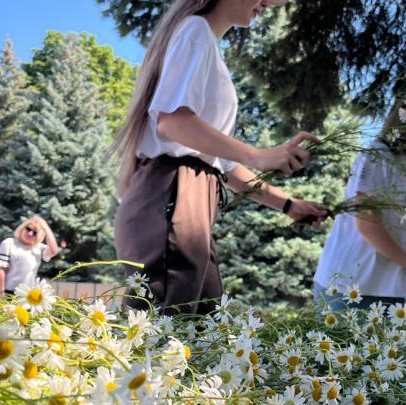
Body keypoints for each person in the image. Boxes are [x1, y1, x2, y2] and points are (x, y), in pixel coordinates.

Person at [112, 0, 329, 316]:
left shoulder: (202, 40)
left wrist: (289, 205)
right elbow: (173, 121)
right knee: (164, 335)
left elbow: (223, 165)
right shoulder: (195, 30)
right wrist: (257, 155)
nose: (269, 4)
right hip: (174, 196)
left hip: (186, 200)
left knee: (197, 327)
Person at [314, 89, 406, 310]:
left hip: (389, 291)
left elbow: (400, 238)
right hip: (349, 287)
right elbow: (366, 222)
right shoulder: (377, 155)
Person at [0, 216, 60, 296]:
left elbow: (54, 251)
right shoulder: (9, 243)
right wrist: (1, 293)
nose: (30, 233)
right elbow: (1, 270)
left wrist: (45, 227)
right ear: (23, 228)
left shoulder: (39, 248)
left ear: (39, 236)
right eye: (28, 229)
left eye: (35, 232)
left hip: (28, 295)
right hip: (9, 293)